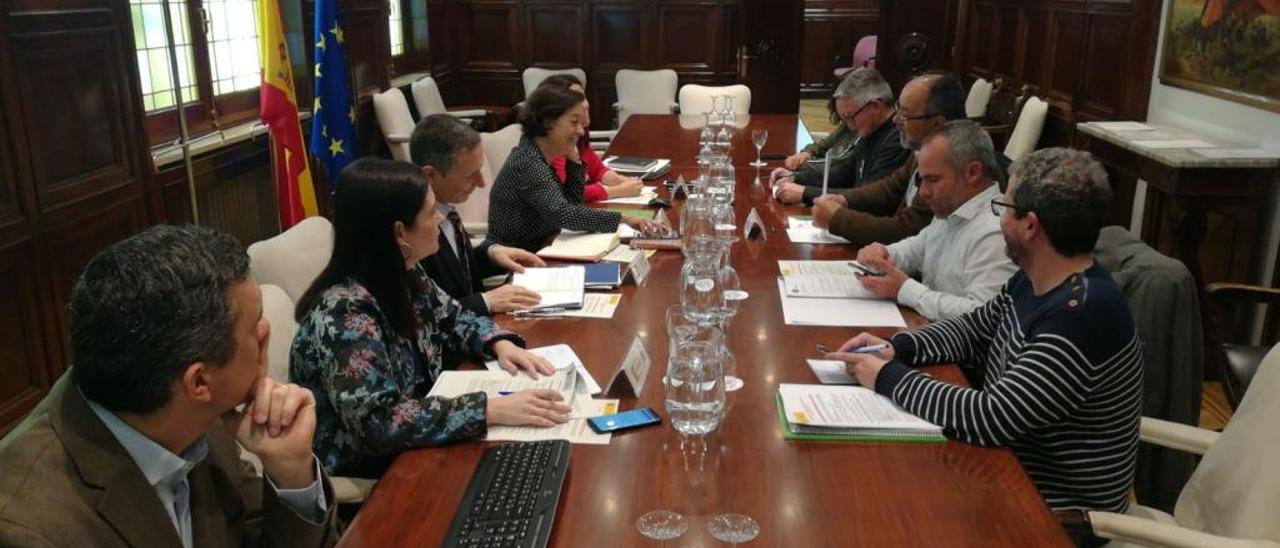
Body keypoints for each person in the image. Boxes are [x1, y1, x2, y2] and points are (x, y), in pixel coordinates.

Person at [826, 147, 1144, 516]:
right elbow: (973, 329)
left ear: (1030, 225)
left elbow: (992, 417)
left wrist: (888, 378)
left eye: (1003, 209)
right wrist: (897, 348)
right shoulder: (1037, 280)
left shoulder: (1079, 316)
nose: (999, 221)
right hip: (1007, 473)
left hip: (1054, 513)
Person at [0, 224, 337, 547]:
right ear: (199, 381)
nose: (265, 331)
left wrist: (291, 471)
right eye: (253, 328)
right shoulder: (28, 529)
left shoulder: (192, 419)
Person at [291, 158, 571, 479]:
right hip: (374, 474)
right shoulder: (344, 313)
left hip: (421, 439)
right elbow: (378, 424)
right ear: (400, 232)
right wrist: (488, 409)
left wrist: (499, 342)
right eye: (430, 212)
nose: (440, 218)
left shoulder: (406, 271)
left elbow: (454, 318)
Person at [853, 120, 1015, 321]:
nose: (923, 192)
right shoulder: (952, 208)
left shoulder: (995, 231)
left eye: (933, 180)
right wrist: (884, 254)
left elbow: (984, 315)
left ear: (972, 173)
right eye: (922, 180)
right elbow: (918, 247)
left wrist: (906, 290)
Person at [485, 84, 659, 252]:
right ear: (547, 122)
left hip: (546, 246)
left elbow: (572, 202)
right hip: (517, 261)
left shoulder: (538, 154)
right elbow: (562, 213)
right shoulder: (528, 162)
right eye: (574, 122)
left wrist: (574, 161)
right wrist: (623, 218)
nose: (581, 131)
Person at [809, 71, 969, 248]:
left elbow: (908, 229)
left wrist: (837, 219)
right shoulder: (923, 149)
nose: (896, 118)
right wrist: (843, 200)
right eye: (898, 108)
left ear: (937, 123)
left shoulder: (954, 164)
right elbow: (889, 188)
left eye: (905, 115)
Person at [410, 113, 546, 316]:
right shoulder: (413, 227)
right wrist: (484, 302)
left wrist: (492, 254)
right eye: (470, 175)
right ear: (430, 175)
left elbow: (457, 271)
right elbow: (421, 315)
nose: (482, 183)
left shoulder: (446, 209)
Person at [773, 68, 909, 205]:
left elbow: (869, 198)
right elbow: (844, 174)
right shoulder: (870, 130)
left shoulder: (897, 139)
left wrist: (805, 193)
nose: (850, 126)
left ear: (875, 106)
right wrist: (796, 178)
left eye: (851, 117)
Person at [537, 74, 645, 202]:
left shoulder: (576, 133)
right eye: (574, 99)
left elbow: (596, 169)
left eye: (582, 96)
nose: (583, 103)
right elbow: (563, 196)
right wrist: (617, 191)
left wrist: (620, 180)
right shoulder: (553, 143)